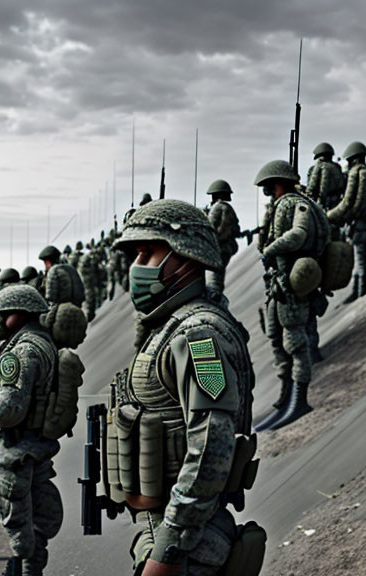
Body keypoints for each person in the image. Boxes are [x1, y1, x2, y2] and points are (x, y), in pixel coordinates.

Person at [113, 198, 261, 575]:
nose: (136, 267)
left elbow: (211, 443)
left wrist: (170, 546)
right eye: (135, 255)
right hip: (171, 529)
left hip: (189, 544)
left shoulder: (199, 337)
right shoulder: (169, 326)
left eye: (148, 253)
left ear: (187, 259)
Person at [0, 285, 63, 576]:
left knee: (15, 512)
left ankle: (26, 569)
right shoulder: (45, 343)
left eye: (1, 314)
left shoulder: (19, 353)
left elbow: (8, 411)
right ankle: (32, 568)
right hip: (39, 443)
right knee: (36, 511)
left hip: (17, 447)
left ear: (16, 315)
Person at [253, 160, 327, 431]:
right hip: (277, 286)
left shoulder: (296, 204)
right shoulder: (279, 206)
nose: (267, 191)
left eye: (269, 186)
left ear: (278, 182)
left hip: (290, 286)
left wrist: (272, 249)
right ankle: (286, 396)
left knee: (295, 343)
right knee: (276, 339)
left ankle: (299, 400)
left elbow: (299, 234)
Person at [328, 141, 366, 302]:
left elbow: (347, 201)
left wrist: (330, 216)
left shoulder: (355, 174)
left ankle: (360, 295)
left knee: (360, 261)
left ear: (353, 159)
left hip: (359, 225)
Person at [205, 179, 242, 295]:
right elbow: (236, 229)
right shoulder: (229, 209)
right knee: (219, 278)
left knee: (214, 280)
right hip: (227, 248)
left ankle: (215, 298)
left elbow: (210, 228)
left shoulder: (216, 208)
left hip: (218, 247)